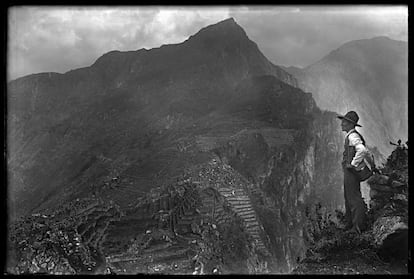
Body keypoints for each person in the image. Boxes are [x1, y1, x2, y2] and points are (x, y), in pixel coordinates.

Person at [337, 111, 368, 234]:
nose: (342, 124)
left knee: (354, 198)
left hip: (351, 171)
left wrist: (353, 164)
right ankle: (350, 223)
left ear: (350, 124)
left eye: (344, 122)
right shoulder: (352, 135)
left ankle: (357, 227)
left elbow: (362, 150)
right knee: (349, 196)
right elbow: (367, 153)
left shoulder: (352, 136)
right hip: (349, 171)